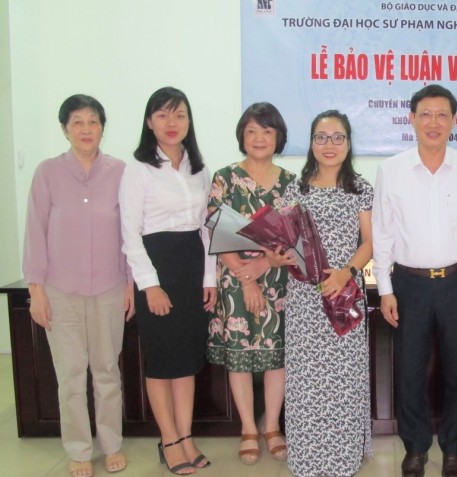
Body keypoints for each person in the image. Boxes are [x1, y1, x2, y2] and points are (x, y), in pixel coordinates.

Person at [372, 84, 457, 477]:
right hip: (409, 285)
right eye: (425, 114)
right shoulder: (391, 170)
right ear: (412, 119)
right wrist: (386, 290)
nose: (434, 122)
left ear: (454, 121)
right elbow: (382, 235)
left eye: (442, 115)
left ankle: (453, 448)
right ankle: (415, 448)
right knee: (409, 372)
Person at [23, 94, 134, 477]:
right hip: (60, 290)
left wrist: (130, 283)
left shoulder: (120, 171)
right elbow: (35, 232)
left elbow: (129, 232)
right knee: (70, 375)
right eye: (77, 122)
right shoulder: (47, 172)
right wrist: (36, 290)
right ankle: (78, 449)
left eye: (93, 121)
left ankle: (112, 444)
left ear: (103, 127)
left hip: (109, 287)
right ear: (65, 129)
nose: (86, 129)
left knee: (107, 371)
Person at [265, 110, 373, 477]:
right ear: (311, 143)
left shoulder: (361, 189)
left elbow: (369, 242)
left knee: (343, 380)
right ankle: (308, 458)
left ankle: (342, 458)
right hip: (305, 300)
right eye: (321, 137)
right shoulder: (294, 190)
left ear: (348, 143)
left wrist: (346, 273)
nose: (329, 144)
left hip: (344, 295)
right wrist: (277, 256)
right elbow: (279, 238)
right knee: (307, 382)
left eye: (337, 137)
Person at [119, 86, 217, 475]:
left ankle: (186, 437)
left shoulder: (198, 168)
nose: (171, 122)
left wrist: (209, 278)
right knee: (162, 361)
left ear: (189, 121)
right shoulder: (138, 168)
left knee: (187, 359)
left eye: (179, 115)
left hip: (191, 266)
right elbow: (130, 233)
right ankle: (169, 440)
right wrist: (150, 285)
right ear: (149, 122)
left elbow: (205, 229)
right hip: (157, 267)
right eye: (162, 115)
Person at [206, 102, 294, 465]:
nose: (259, 138)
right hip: (235, 279)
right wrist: (247, 279)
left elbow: (295, 238)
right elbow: (215, 230)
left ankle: (271, 426)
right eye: (252, 131)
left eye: (267, 131)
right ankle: (247, 428)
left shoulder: (292, 183)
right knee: (240, 357)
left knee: (277, 357)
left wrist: (264, 264)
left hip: (279, 279)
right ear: (242, 136)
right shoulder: (225, 178)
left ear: (278, 137)